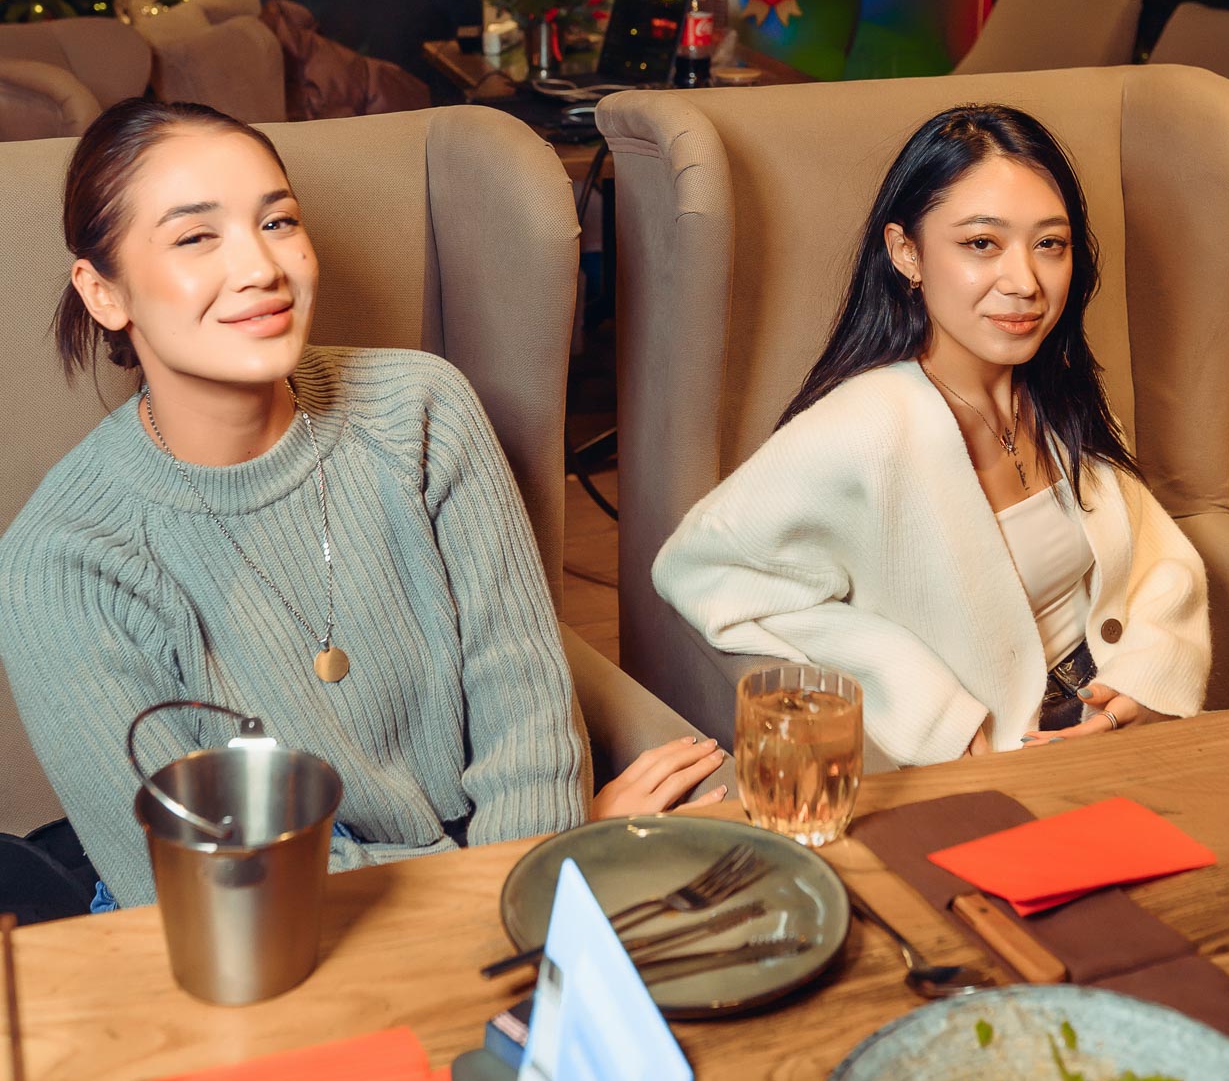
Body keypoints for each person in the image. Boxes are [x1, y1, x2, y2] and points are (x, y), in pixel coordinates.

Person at [0, 100, 724, 909]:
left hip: (495, 871)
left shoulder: (422, 409)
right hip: (257, 942)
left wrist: (540, 862)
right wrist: (527, 875)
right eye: (196, 237)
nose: (261, 268)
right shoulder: (62, 563)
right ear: (104, 293)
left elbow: (518, 695)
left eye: (277, 222)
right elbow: (219, 888)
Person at [653, 104, 1210, 769]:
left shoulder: (1063, 395)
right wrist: (922, 700)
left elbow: (1152, 557)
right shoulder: (864, 428)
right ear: (906, 253)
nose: (1024, 283)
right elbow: (701, 570)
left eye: (1049, 245)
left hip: (1119, 726)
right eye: (981, 244)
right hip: (1002, 758)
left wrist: (1142, 682)